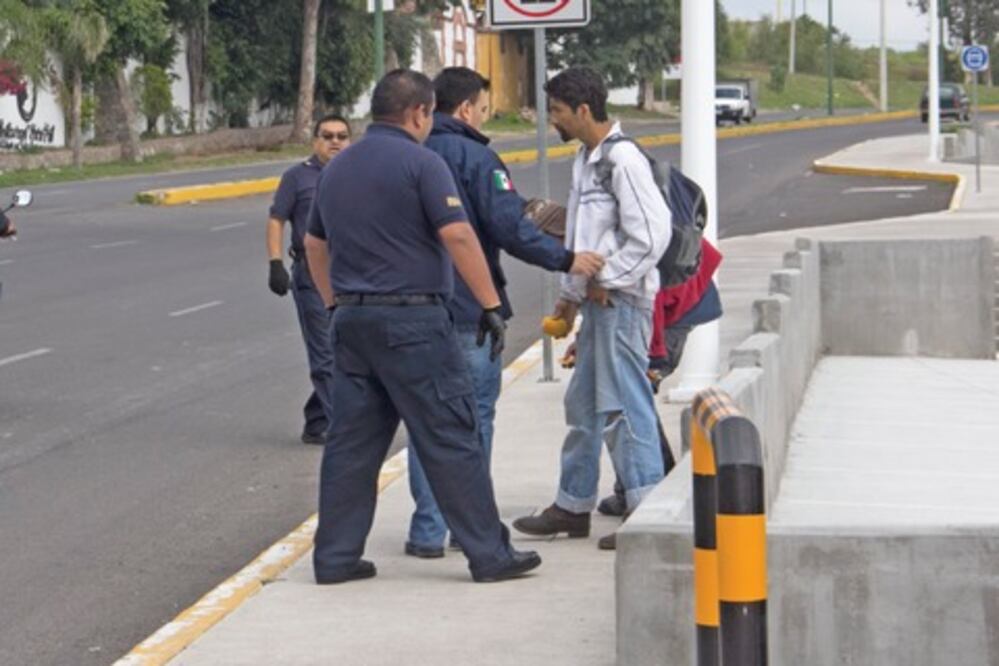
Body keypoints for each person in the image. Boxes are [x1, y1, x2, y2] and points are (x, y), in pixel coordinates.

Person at [304, 69, 541, 584]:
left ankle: (336, 559)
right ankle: (490, 555)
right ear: (418, 113)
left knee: (352, 445)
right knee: (451, 434)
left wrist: (331, 305)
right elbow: (457, 235)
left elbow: (313, 245)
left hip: (351, 321)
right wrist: (490, 305)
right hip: (413, 321)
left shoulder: (337, 170)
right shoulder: (423, 163)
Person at [404, 66, 606, 559]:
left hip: (412, 310)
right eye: (483, 107)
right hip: (471, 309)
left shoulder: (408, 156)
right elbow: (509, 228)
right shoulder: (477, 158)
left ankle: (427, 529)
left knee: (426, 419)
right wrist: (566, 259)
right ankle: (468, 525)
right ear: (468, 108)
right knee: (474, 418)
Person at [512, 66, 671, 549]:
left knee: (626, 406)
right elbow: (586, 240)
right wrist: (571, 297)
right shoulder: (588, 160)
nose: (553, 121)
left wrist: (608, 280)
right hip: (600, 305)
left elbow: (652, 236)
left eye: (558, 111)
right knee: (582, 405)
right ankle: (573, 505)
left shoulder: (622, 162)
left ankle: (648, 513)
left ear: (583, 110)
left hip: (624, 305)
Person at [266, 115, 352, 444]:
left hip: (349, 272)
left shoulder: (356, 173)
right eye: (327, 136)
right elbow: (276, 219)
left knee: (346, 350)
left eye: (342, 136)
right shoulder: (297, 177)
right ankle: (343, 432)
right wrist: (275, 263)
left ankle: (317, 420)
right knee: (326, 354)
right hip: (311, 274)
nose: (335, 142)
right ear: (315, 140)